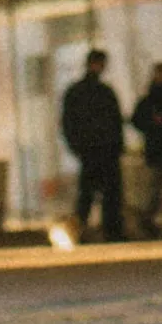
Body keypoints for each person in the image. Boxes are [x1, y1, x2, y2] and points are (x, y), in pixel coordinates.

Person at [57, 48, 129, 244]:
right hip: (104, 150)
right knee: (109, 193)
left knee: (87, 194)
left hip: (89, 151)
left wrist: (76, 147)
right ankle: (111, 231)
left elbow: (67, 123)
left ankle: (79, 231)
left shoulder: (76, 92)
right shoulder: (105, 92)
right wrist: (117, 146)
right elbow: (115, 122)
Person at [128, 56, 162, 239]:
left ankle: (156, 223)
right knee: (158, 191)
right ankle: (151, 222)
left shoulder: (152, 100)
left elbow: (136, 120)